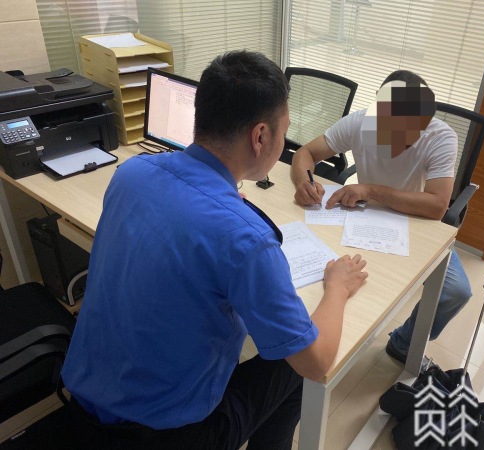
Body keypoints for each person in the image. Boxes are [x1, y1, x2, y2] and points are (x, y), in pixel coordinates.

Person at [61, 50, 368, 450]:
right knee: (294, 367)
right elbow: (317, 361)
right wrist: (338, 288)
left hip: (83, 406)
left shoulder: (131, 174)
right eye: (284, 131)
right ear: (261, 136)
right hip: (166, 438)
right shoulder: (248, 240)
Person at [291, 70, 472, 367]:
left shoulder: (441, 137)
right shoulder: (360, 123)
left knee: (455, 291)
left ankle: (403, 343)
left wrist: (372, 189)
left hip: (414, 222)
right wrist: (304, 182)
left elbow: (438, 206)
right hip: (361, 218)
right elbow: (306, 153)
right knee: (324, 273)